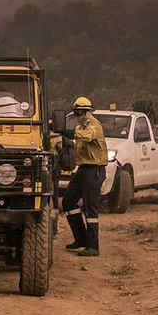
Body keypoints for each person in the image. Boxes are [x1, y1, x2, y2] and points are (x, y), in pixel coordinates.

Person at [61, 96, 107, 257]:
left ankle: (93, 247)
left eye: (80, 113)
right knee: (68, 202)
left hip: (94, 170)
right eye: (76, 113)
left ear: (87, 112)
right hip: (83, 169)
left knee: (90, 207)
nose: (78, 116)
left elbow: (88, 136)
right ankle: (81, 239)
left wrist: (70, 132)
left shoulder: (94, 125)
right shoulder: (81, 127)